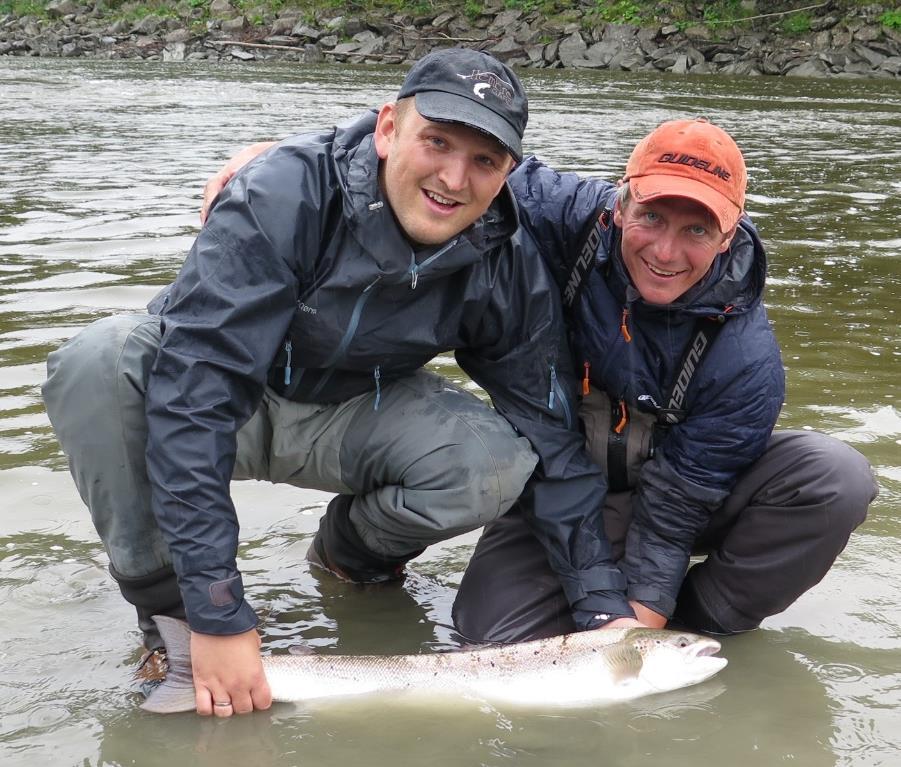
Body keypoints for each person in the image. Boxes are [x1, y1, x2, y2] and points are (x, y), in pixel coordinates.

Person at [41, 48, 645, 719]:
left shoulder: (505, 262)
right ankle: (170, 621)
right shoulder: (284, 190)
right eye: (436, 142)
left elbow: (551, 434)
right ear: (387, 129)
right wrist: (215, 609)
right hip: (222, 401)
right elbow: (197, 397)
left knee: (497, 462)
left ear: (508, 173)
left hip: (353, 407)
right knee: (98, 360)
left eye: (483, 160)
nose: (452, 178)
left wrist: (602, 611)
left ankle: (347, 557)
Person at [208, 116, 877, 644]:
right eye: (650, 218)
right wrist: (290, 159)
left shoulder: (746, 357)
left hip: (692, 496)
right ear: (619, 205)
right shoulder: (563, 212)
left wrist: (634, 631)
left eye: (696, 230)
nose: (666, 251)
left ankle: (700, 630)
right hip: (566, 480)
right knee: (485, 643)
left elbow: (671, 520)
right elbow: (441, 147)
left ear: (728, 237)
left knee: (833, 475)